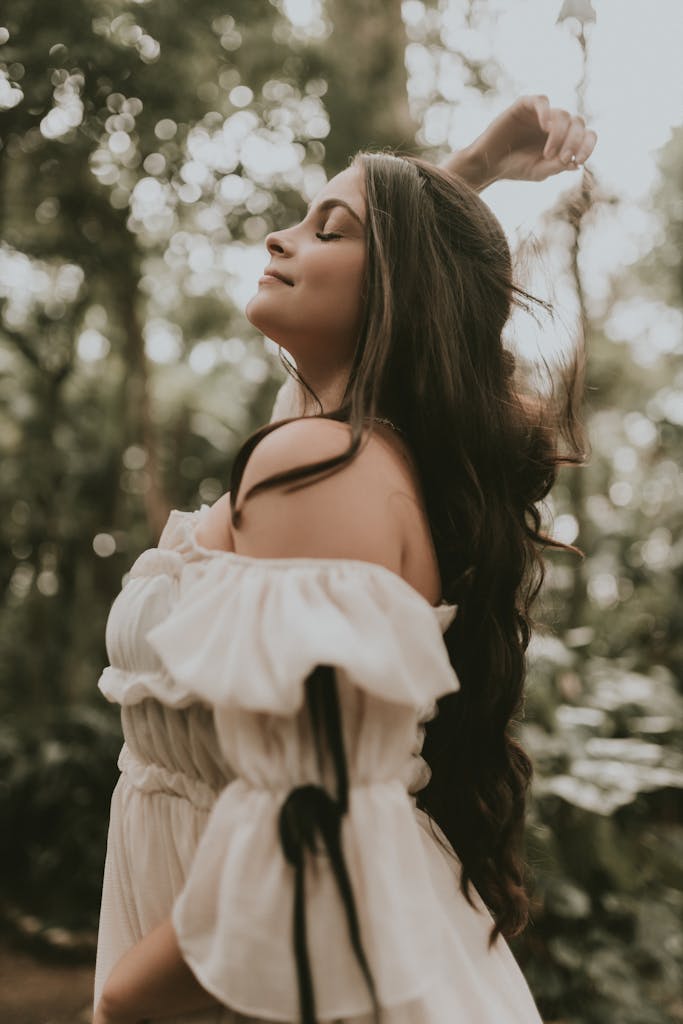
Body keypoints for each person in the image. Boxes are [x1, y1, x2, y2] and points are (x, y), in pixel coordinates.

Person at [93, 95, 596, 1024]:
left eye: (326, 229)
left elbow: (309, 826)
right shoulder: (342, 454)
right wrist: (473, 167)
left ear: (403, 285)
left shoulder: (318, 468)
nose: (282, 238)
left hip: (253, 980)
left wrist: (127, 1000)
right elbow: (412, 256)